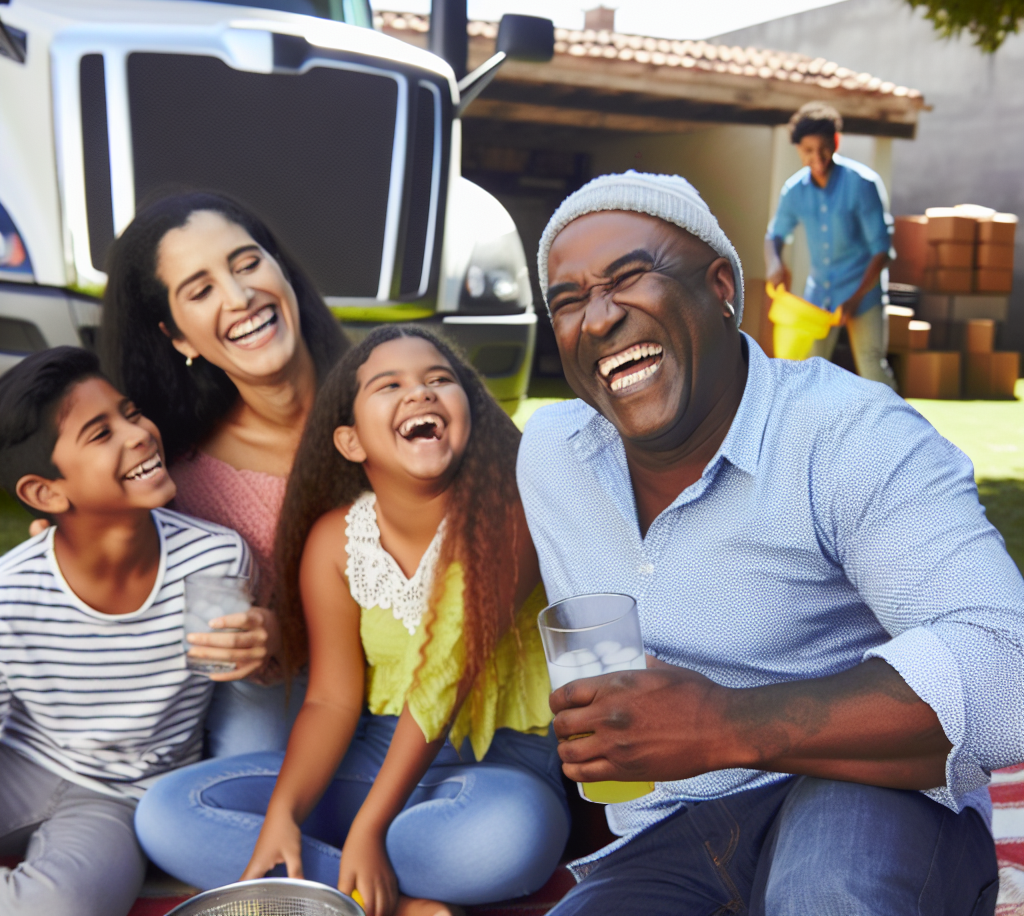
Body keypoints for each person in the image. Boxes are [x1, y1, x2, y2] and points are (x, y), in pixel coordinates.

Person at [518, 170, 1020, 914]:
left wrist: (724, 724)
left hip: (866, 793)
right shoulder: (554, 453)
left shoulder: (846, 436)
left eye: (630, 277)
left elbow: (1007, 668)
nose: (597, 319)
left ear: (721, 285)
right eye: (568, 301)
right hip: (672, 832)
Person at [134, 326, 569, 916]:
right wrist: (283, 816)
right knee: (167, 814)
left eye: (440, 379)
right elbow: (332, 702)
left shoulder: (508, 512)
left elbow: (446, 676)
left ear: (470, 410)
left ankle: (338, 881)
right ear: (350, 441)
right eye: (389, 385)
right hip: (375, 755)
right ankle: (399, 902)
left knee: (509, 840)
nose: (420, 393)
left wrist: (369, 827)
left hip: (500, 764)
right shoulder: (336, 542)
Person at [0, 348, 255, 916]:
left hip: (122, 796)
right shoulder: (11, 593)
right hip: (20, 763)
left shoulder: (213, 559)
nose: (138, 434)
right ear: (47, 494)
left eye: (131, 413)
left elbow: (219, 672)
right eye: (100, 433)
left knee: (65, 907)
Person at [99, 192, 349, 756]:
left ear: (280, 269)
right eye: (202, 290)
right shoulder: (181, 483)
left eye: (246, 264)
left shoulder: (397, 394)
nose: (239, 297)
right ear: (178, 336)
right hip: (285, 700)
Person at [765, 101, 897, 388]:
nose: (817, 157)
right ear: (798, 150)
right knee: (810, 372)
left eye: (823, 147)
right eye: (808, 150)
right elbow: (775, 236)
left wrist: (854, 298)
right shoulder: (794, 190)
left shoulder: (863, 184)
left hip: (864, 291)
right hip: (819, 294)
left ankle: (900, 430)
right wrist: (775, 263)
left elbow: (881, 250)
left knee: (872, 367)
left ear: (836, 142)